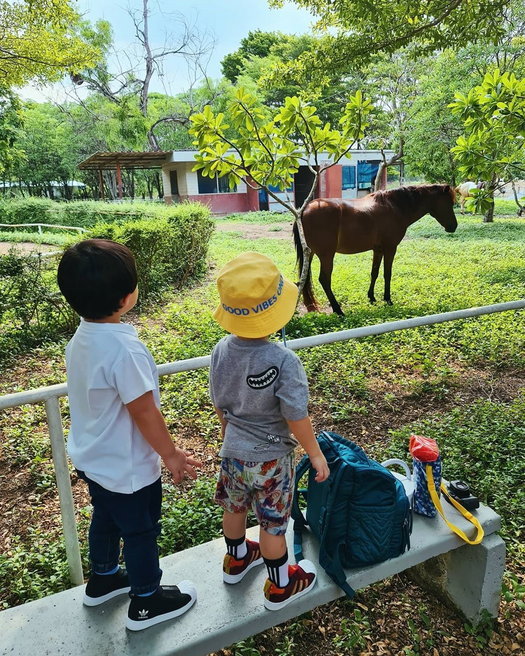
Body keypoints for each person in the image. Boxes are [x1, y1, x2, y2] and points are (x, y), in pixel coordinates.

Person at [57, 238, 201, 631]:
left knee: (105, 516)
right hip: (129, 468)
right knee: (140, 531)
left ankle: (103, 578)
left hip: (94, 458)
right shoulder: (125, 351)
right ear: (126, 297)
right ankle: (147, 601)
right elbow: (143, 411)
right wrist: (171, 454)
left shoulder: (81, 339)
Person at [209, 251, 330, 611]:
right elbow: (296, 415)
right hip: (272, 461)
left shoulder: (220, 351)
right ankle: (280, 585)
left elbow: (220, 404)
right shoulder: (283, 360)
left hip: (232, 454)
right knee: (273, 524)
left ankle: (236, 560)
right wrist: (315, 454)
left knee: (234, 508)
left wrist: (230, 435)